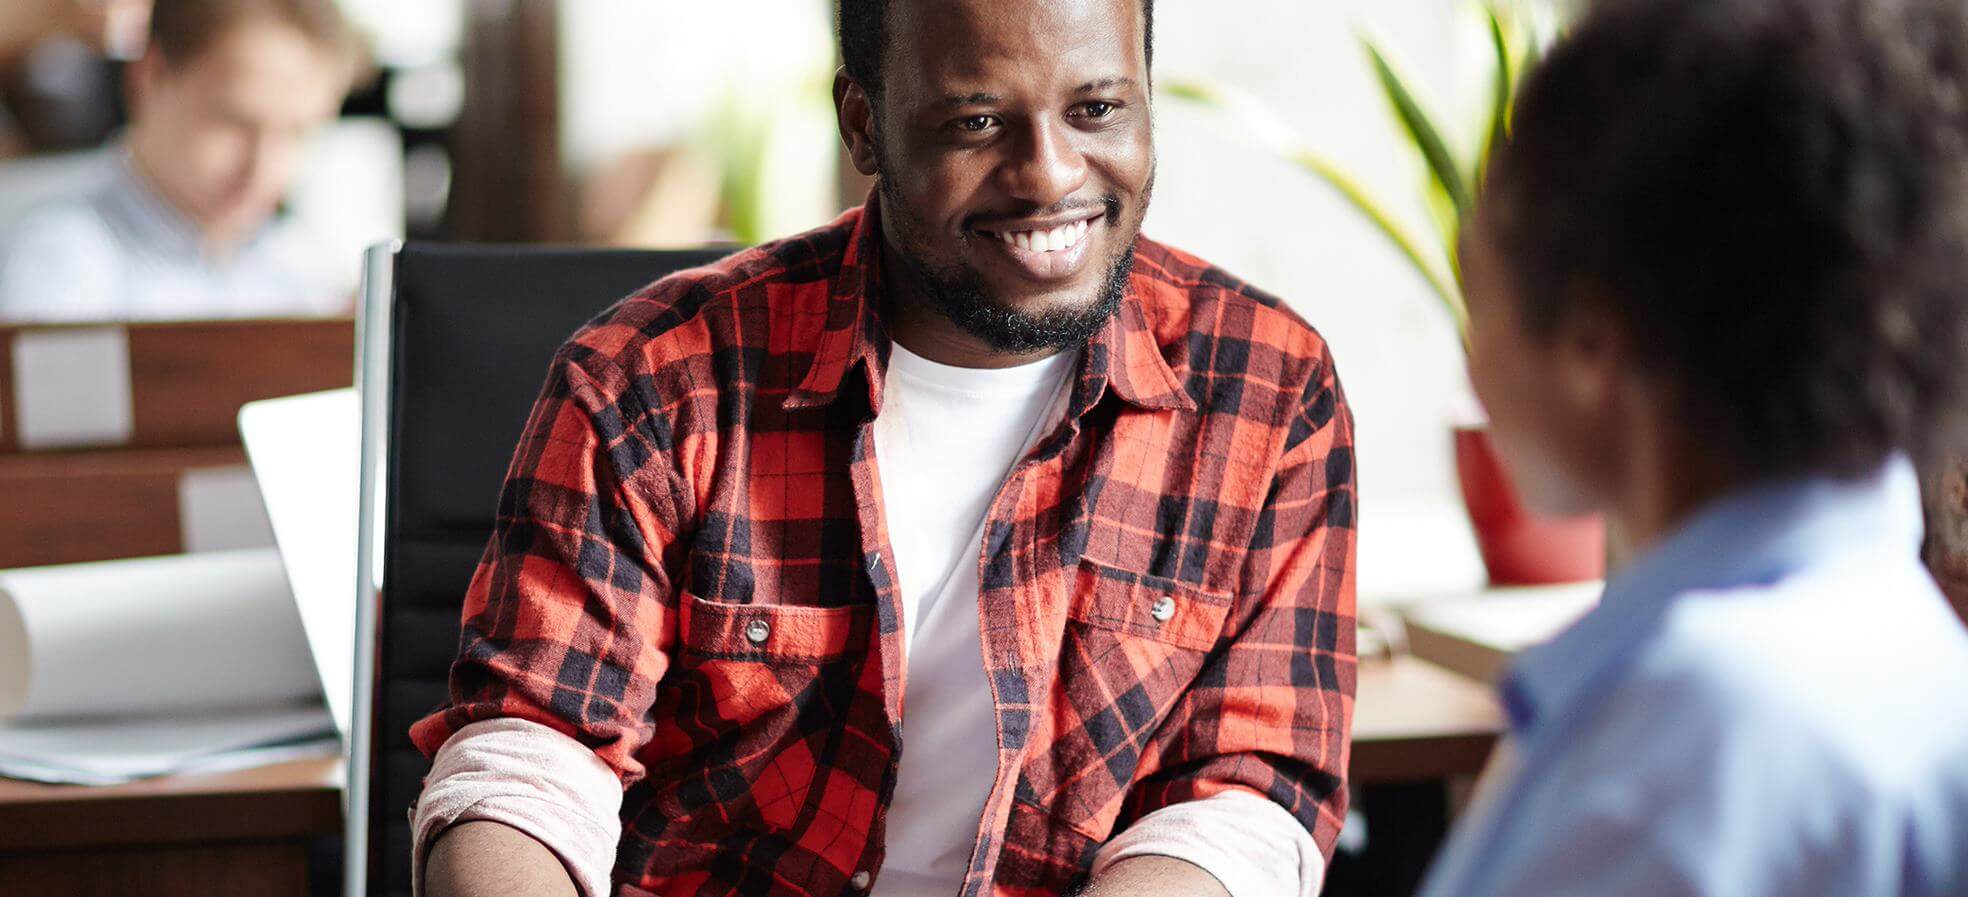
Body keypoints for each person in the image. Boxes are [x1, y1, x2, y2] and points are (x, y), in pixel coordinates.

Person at [409, 1, 1359, 896]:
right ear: (862, 123)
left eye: (1098, 109)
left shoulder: (1267, 390)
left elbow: (1240, 800)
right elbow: (530, 760)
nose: (1052, 174)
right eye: (978, 122)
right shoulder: (651, 379)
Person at [1419, 0, 1968, 894]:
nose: (1469, 360)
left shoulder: (1680, 753)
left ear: (1591, 338)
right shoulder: (1933, 675)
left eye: (1477, 298)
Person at [0, 0, 359, 321]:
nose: (262, 169)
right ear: (149, 77)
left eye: (297, 132)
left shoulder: (304, 270)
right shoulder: (59, 272)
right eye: (231, 122)